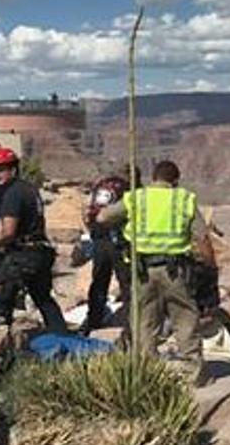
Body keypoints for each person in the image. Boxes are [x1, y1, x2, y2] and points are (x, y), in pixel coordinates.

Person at [97, 160, 214, 380]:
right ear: (175, 180)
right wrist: (210, 266)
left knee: (145, 320)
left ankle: (147, 371)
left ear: (153, 178)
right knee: (184, 317)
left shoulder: (136, 197)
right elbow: (202, 237)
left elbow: (103, 217)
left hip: (142, 271)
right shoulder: (184, 199)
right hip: (175, 271)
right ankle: (191, 372)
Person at [0, 147, 67, 333]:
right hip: (41, 251)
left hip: (24, 254)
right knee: (43, 298)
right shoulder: (30, 190)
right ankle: (61, 334)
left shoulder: (13, 194)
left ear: (13, 169)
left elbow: (8, 231)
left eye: (0, 169)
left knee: (1, 298)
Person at [82, 170, 132, 334]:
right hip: (119, 241)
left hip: (100, 239)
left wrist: (92, 230)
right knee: (127, 283)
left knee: (99, 282)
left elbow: (87, 212)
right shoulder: (127, 189)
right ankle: (131, 322)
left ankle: (93, 321)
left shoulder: (100, 187)